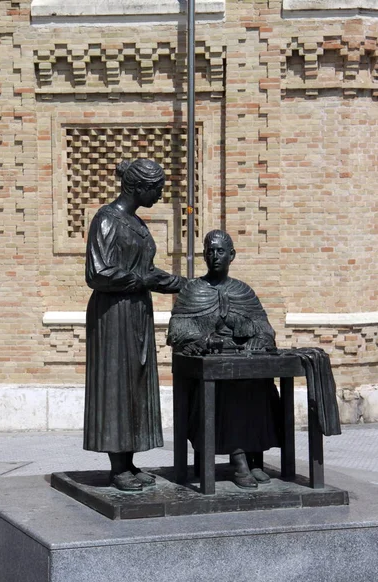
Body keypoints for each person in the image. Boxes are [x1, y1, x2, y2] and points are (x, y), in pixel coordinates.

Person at [84, 158, 186, 492]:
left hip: (138, 311)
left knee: (136, 380)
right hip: (113, 314)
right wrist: (140, 279)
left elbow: (150, 271)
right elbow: (98, 273)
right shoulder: (107, 219)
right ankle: (117, 467)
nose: (160, 194)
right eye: (156, 188)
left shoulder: (137, 224)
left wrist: (183, 284)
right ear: (138, 187)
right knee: (116, 383)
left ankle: (128, 461)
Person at [167, 229, 280, 488]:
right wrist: (207, 340)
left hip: (241, 367)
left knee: (262, 386)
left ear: (232, 255)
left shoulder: (243, 291)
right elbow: (177, 331)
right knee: (230, 390)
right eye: (210, 251)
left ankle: (254, 457)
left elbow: (265, 329)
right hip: (206, 374)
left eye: (220, 251)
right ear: (204, 255)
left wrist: (258, 340)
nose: (215, 256)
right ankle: (239, 460)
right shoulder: (192, 290)